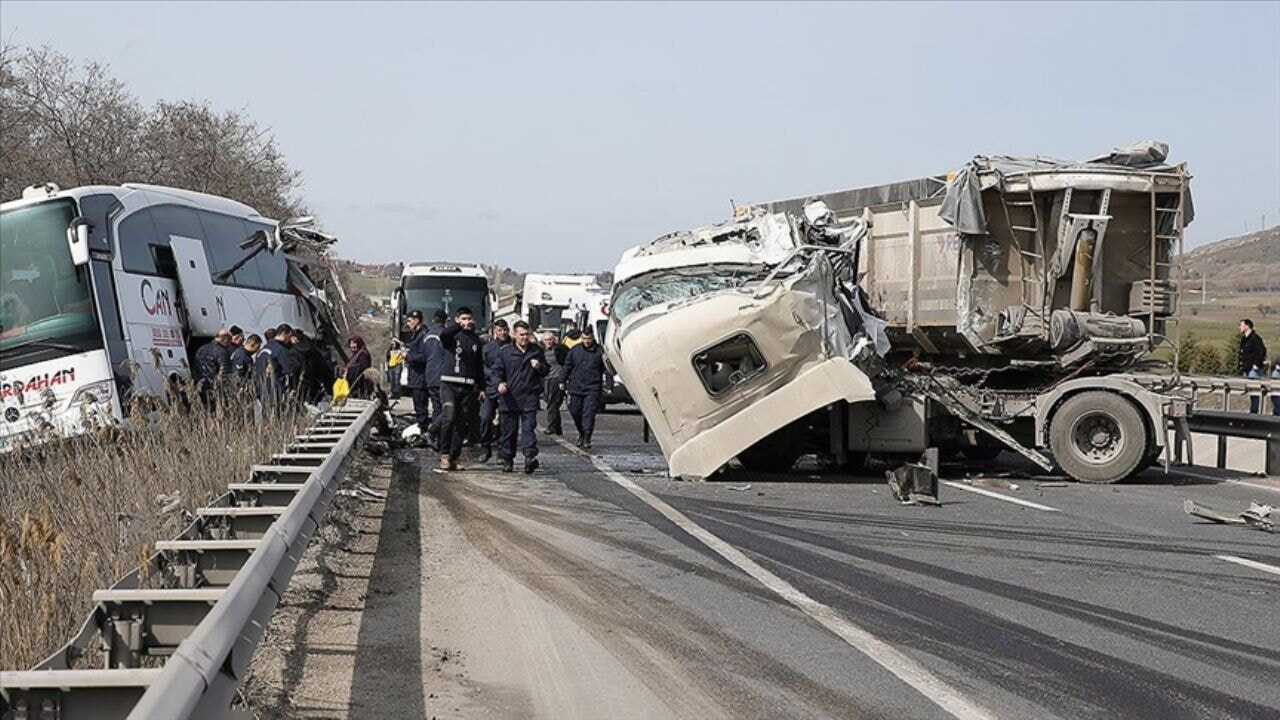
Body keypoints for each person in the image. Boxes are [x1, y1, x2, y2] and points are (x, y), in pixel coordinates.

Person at [494, 320, 549, 473]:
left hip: (529, 396)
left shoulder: (536, 351)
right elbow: (496, 371)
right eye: (521, 335)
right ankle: (507, 459)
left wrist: (539, 366)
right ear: (514, 335)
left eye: (527, 334)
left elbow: (546, 370)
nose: (524, 338)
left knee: (529, 428)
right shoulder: (505, 352)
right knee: (509, 431)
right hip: (509, 398)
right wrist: (499, 383)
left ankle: (529, 456)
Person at [436, 307, 485, 470]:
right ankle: (444, 454)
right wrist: (459, 326)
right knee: (449, 417)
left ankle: (454, 457)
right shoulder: (452, 336)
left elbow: (479, 366)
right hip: (449, 384)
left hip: (467, 386)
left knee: (460, 423)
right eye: (464, 318)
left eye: (469, 319)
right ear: (457, 320)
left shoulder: (476, 340)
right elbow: (444, 335)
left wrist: (482, 387)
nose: (467, 322)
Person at [562, 325, 609, 449]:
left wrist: (609, 384)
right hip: (576, 386)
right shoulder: (575, 350)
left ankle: (587, 437)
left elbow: (607, 368)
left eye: (589, 338)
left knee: (589, 413)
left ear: (593, 338)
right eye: (584, 338)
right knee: (575, 410)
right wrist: (562, 380)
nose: (586, 341)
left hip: (592, 387)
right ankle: (581, 432)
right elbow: (567, 366)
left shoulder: (600, 351)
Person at [479, 319, 511, 462]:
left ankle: (502, 451)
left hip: (508, 388)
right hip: (490, 387)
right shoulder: (488, 348)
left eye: (505, 330)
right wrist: (481, 387)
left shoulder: (513, 346)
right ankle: (485, 447)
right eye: (499, 330)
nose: (503, 333)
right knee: (485, 418)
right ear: (494, 331)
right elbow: (481, 367)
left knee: (505, 421)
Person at [402, 310, 431, 432]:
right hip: (415, 375)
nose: (408, 324)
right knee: (418, 405)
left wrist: (407, 356)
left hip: (420, 377)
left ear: (416, 320)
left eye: (409, 321)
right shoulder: (416, 334)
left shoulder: (423, 335)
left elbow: (423, 356)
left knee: (421, 406)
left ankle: (423, 430)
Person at [423, 310, 449, 445]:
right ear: (446, 320)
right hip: (443, 376)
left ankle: (436, 438)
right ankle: (436, 433)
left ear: (434, 320)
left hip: (430, 375)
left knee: (436, 408)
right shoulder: (446, 335)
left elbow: (424, 355)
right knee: (448, 408)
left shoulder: (427, 335)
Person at [291, 328, 335, 404]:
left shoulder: (294, 351)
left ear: (295, 338)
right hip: (315, 382)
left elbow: (294, 369)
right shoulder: (312, 348)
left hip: (302, 384)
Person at [193, 328, 234, 407]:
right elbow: (225, 373)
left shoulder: (201, 349)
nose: (229, 344)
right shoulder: (222, 352)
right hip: (216, 390)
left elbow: (195, 368)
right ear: (225, 339)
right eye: (229, 341)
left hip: (201, 386)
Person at [540, 331, 569, 435]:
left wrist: (564, 379)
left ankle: (552, 426)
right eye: (546, 340)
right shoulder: (541, 351)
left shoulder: (560, 349)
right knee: (550, 402)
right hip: (546, 379)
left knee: (553, 403)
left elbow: (567, 363)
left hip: (557, 379)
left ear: (554, 340)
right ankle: (557, 427)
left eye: (550, 339)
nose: (548, 342)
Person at [1238, 319, 1268, 413]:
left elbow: (1262, 351)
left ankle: (1255, 412)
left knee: (1255, 391)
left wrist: (1256, 364)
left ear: (1247, 326)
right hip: (1247, 368)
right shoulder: (1244, 338)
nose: (1239, 327)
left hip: (1253, 369)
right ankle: (1253, 410)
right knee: (1251, 391)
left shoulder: (1255, 338)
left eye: (1241, 325)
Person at [254, 331, 288, 407]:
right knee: (275, 409)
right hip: (275, 385)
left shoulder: (260, 351)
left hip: (261, 386)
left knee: (265, 409)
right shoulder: (279, 349)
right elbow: (287, 368)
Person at [343, 334, 374, 399]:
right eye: (351, 344)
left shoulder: (363, 354)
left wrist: (349, 370)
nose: (352, 345)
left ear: (359, 343)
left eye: (354, 343)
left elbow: (363, 367)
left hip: (361, 384)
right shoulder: (356, 354)